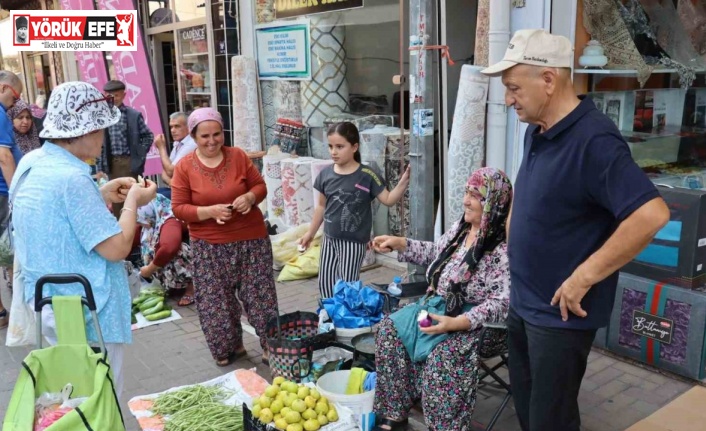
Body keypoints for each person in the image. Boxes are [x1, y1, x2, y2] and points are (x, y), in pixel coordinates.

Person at [480, 29, 670, 431]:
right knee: (530, 412)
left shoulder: (595, 139)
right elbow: (529, 191)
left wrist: (583, 277)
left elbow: (650, 215)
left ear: (548, 80)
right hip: (524, 300)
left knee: (553, 420)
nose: (508, 99)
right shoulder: (539, 129)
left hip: (559, 315)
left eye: (514, 87)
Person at [11, 81, 157, 397]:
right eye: (100, 129)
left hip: (51, 302)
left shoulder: (34, 162)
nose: (103, 139)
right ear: (83, 131)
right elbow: (117, 248)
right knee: (98, 402)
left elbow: (55, 216)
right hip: (84, 311)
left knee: (72, 396)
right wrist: (133, 200)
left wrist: (100, 192)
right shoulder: (72, 177)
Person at [370, 167, 512, 431]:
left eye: (475, 195)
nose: (465, 200)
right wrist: (400, 243)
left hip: (477, 326)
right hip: (438, 308)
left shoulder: (502, 250)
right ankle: (395, 414)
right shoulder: (461, 231)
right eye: (466, 193)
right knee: (391, 331)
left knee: (443, 355)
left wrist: (458, 323)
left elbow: (502, 303)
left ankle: (445, 426)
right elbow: (437, 254)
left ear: (493, 203)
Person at [170, 108, 279, 366]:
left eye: (217, 134)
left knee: (260, 295)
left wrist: (250, 197)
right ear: (193, 136)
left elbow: (260, 186)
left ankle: (270, 345)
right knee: (216, 301)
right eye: (204, 136)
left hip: (251, 239)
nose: (212, 141)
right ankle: (230, 347)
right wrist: (208, 212)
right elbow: (178, 207)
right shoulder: (184, 166)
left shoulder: (238, 156)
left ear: (223, 132)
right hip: (209, 245)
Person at [298, 122, 410, 298]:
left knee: (348, 285)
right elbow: (321, 206)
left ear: (354, 147)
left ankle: (348, 321)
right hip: (329, 238)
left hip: (353, 242)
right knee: (325, 283)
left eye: (340, 147)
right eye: (330, 146)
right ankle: (330, 318)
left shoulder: (367, 175)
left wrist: (404, 181)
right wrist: (310, 234)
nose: (333, 152)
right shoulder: (325, 175)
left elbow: (388, 199)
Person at [98, 79, 154, 217]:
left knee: (132, 198)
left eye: (117, 95)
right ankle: (122, 230)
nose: (113, 99)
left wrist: (138, 155)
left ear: (124, 95)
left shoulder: (132, 115)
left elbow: (148, 136)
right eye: (110, 96)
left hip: (129, 162)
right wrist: (99, 167)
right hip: (111, 163)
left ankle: (135, 230)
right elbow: (99, 144)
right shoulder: (103, 117)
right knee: (116, 199)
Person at [137, 193, 194, 306]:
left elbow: (169, 248)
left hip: (197, 256)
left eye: (142, 220)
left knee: (174, 251)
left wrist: (149, 269)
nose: (141, 223)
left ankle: (192, 288)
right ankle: (174, 285)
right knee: (154, 249)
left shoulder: (170, 218)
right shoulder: (154, 220)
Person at [0, 70, 23, 330]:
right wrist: (17, 192)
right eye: (15, 97)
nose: (15, 103)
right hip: (2, 194)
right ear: (4, 88)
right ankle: (17, 313)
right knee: (11, 251)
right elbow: (4, 156)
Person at [153, 111, 197, 199]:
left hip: (190, 192)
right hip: (177, 188)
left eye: (177, 126)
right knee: (148, 195)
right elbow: (165, 172)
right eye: (171, 127)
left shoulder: (192, 143)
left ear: (189, 128)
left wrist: (161, 148)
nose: (172, 130)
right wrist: (172, 183)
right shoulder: (178, 143)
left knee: (150, 200)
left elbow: (169, 171)